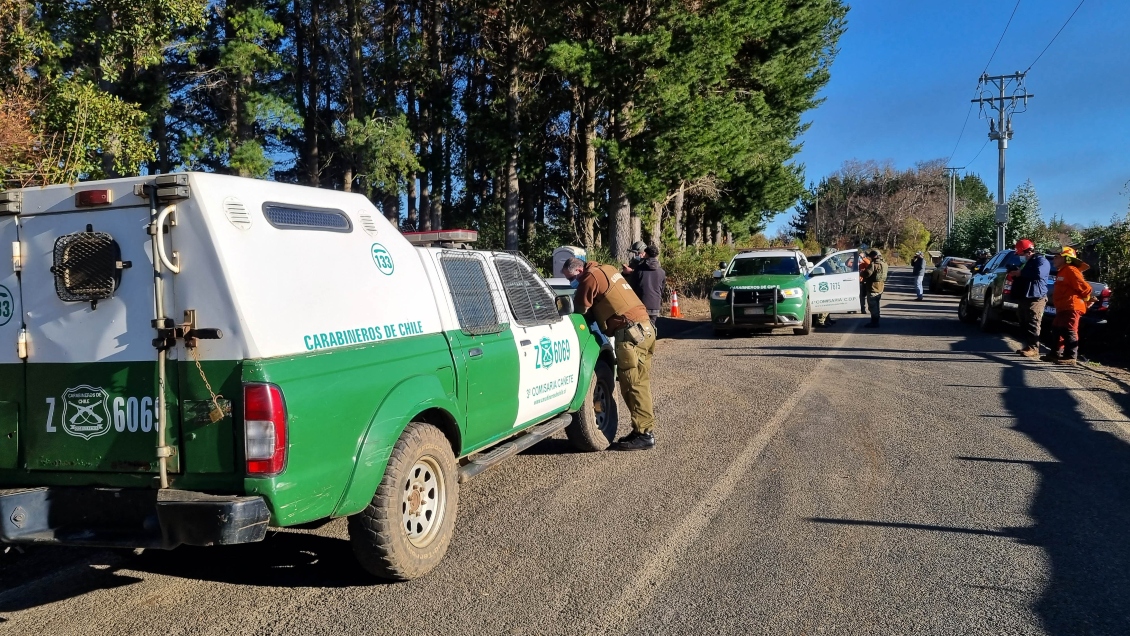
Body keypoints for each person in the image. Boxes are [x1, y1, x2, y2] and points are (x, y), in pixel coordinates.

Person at [561, 257, 657, 451]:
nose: (572, 282)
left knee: (632, 386)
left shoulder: (589, 278)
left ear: (579, 271)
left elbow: (579, 310)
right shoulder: (607, 269)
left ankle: (644, 434)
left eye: (571, 278)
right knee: (640, 384)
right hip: (645, 329)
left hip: (630, 334)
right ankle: (642, 430)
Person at [1040, 246, 1092, 366]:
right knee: (1057, 328)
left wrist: (1086, 298)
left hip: (1072, 307)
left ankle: (1070, 356)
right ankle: (1055, 353)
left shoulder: (1071, 270)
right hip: (1063, 307)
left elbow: (1086, 288)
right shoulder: (1063, 271)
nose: (1053, 259)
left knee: (1069, 330)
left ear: (1066, 259)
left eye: (1057, 257)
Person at [1007, 238, 1051, 358]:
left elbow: (1038, 274)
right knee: (1023, 322)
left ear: (1027, 251)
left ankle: (1033, 348)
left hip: (1036, 297)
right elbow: (1025, 276)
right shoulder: (1027, 262)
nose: (1020, 256)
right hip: (1025, 297)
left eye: (1020, 254)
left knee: (1033, 322)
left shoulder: (1041, 261)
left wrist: (1020, 273)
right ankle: (1028, 345)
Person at [629, 245, 666, 329]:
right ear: (656, 255)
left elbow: (632, 286)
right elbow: (662, 289)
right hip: (655, 303)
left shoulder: (639, 269)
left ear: (646, 254)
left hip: (641, 303)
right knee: (651, 328)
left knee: (641, 329)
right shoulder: (662, 272)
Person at [861, 249, 887, 328]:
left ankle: (874, 322)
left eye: (871, 255)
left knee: (872, 305)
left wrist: (862, 272)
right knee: (877, 304)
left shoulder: (873, 264)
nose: (870, 257)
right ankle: (876, 319)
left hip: (873, 287)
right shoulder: (884, 264)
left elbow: (867, 274)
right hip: (880, 286)